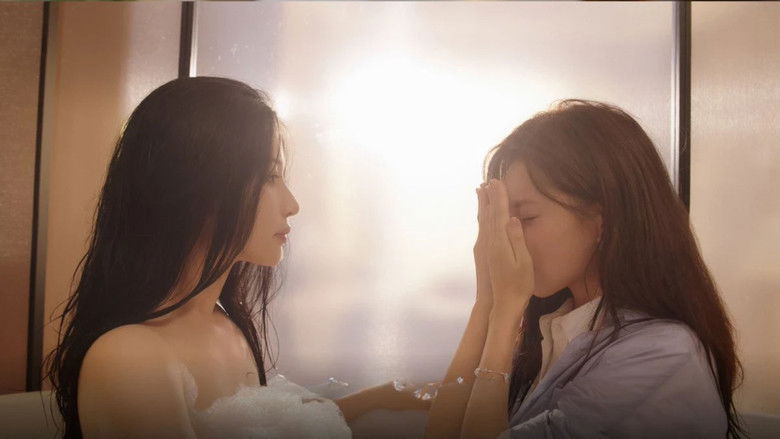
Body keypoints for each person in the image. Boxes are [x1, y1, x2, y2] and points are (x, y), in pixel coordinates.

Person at [45, 76, 426, 439]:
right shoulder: (129, 358)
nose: (292, 204)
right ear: (198, 188)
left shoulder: (224, 327)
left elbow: (271, 427)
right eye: (269, 177)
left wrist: (373, 400)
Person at [423, 99, 744, 438]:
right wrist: (487, 301)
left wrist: (504, 314)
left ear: (602, 220)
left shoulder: (661, 355)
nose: (504, 239)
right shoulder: (558, 331)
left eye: (526, 218)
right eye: (501, 221)